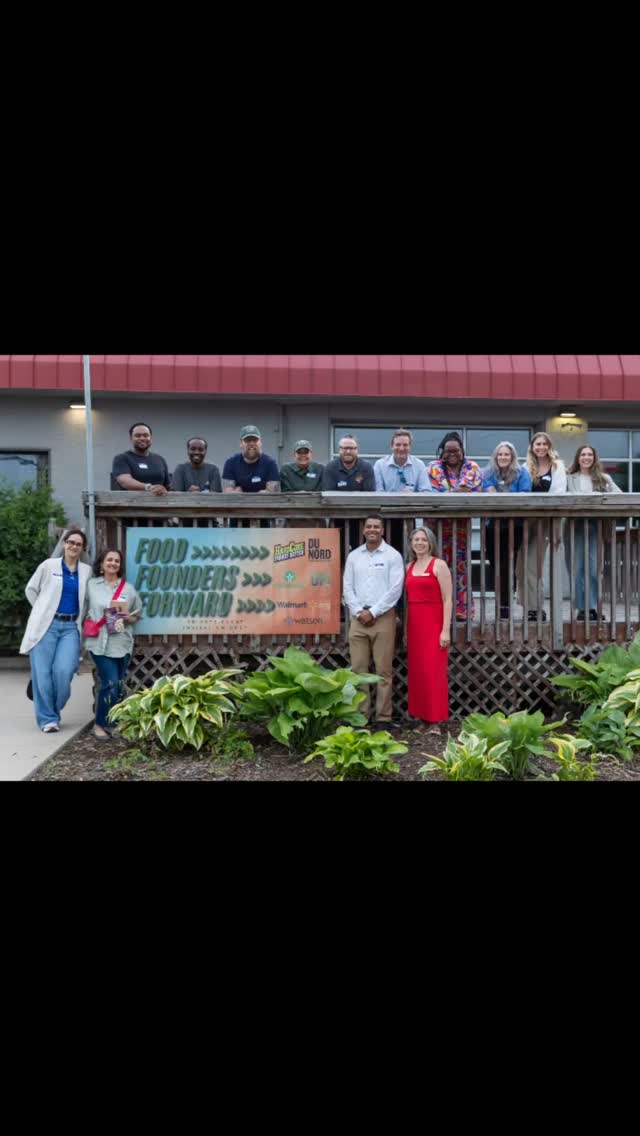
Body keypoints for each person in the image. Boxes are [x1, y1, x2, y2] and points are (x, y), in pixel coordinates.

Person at [19, 527, 93, 733]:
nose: (74, 546)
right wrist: (42, 611)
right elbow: (31, 589)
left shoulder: (86, 571)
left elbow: (88, 599)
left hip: (70, 627)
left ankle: (53, 708)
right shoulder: (48, 565)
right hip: (46, 626)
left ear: (82, 548)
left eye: (78, 544)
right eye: (71, 542)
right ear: (64, 543)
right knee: (42, 674)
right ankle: (48, 719)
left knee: (64, 671)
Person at [343, 515, 405, 728]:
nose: (372, 530)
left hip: (383, 618)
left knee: (383, 671)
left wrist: (374, 612)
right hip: (358, 618)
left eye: (376, 527)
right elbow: (347, 587)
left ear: (382, 531)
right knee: (359, 670)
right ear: (363, 530)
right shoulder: (354, 556)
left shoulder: (392, 556)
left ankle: (383, 718)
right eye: (369, 526)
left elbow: (395, 590)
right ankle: (361, 717)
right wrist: (358, 611)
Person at [84, 547, 143, 739]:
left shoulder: (128, 588)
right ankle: (100, 724)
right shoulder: (91, 585)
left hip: (121, 642)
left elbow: (138, 613)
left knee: (117, 684)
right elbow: (82, 607)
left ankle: (113, 723)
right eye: (109, 560)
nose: (113, 563)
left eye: (117, 561)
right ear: (102, 564)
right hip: (98, 643)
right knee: (109, 683)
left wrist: (129, 618)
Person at [427, 432, 483, 621]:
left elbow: (476, 491)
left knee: (461, 569)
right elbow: (432, 493)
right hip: (436, 527)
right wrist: (456, 493)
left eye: (456, 450)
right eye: (448, 451)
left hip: (461, 528)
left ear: (462, 451)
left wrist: (451, 493)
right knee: (438, 567)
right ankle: (439, 608)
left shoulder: (472, 467)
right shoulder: (433, 467)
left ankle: (462, 609)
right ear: (442, 451)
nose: (452, 454)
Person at [566, 444, 622, 621]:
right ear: (578, 458)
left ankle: (593, 607)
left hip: (596, 526)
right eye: (583, 454)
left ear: (594, 458)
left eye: (590, 454)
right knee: (577, 568)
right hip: (575, 526)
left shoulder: (603, 478)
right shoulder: (569, 478)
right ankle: (582, 608)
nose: (586, 457)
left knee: (594, 569)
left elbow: (619, 495)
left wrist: (603, 497)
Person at [516, 431, 567, 621]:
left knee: (533, 565)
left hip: (545, 522)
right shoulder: (524, 467)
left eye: (545, 444)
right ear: (532, 447)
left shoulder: (557, 466)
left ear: (549, 446)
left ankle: (536, 608)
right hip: (524, 522)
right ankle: (528, 604)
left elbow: (559, 492)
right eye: (538, 444)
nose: (541, 447)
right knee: (520, 567)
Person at [405, 527, 452, 724]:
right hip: (415, 625)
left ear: (431, 543)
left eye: (423, 539)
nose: (420, 543)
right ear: (411, 543)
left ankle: (436, 720)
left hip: (433, 624)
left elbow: (447, 600)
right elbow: (407, 601)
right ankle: (421, 717)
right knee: (418, 673)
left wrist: (445, 630)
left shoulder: (439, 565)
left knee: (433, 672)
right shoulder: (408, 567)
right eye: (416, 540)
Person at [482, 442, 532, 618]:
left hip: (514, 526)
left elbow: (524, 494)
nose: (503, 457)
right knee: (494, 564)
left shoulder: (521, 473)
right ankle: (499, 602)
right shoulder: (488, 473)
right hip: (492, 525)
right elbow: (486, 492)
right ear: (496, 456)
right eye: (500, 454)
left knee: (508, 565)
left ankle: (505, 605)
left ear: (512, 457)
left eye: (506, 454)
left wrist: (498, 495)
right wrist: (506, 496)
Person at [111, 423, 170, 495]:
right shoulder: (122, 458)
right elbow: (125, 481)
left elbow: (168, 486)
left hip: (159, 502)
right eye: (137, 435)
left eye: (146, 435)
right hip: (131, 501)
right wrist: (148, 487)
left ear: (151, 438)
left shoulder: (160, 459)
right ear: (131, 438)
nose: (142, 438)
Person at [222, 425, 280, 493]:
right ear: (241, 443)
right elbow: (228, 495)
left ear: (260, 442)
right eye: (248, 440)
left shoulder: (270, 464)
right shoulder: (231, 463)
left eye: (255, 440)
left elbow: (273, 494)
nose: (252, 444)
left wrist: (240, 493)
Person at [374, 429, 432, 493]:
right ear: (392, 446)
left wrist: (413, 495)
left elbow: (426, 491)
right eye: (398, 445)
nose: (401, 448)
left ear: (410, 447)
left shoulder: (419, 465)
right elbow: (378, 492)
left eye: (405, 445)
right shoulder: (379, 465)